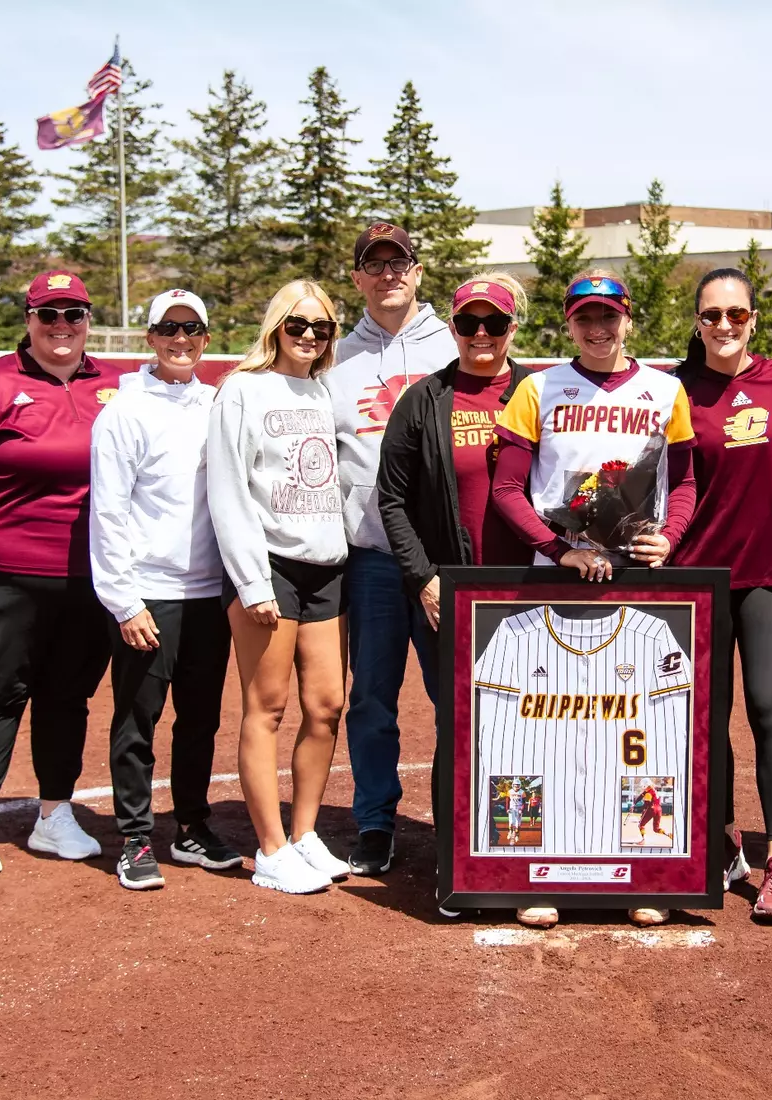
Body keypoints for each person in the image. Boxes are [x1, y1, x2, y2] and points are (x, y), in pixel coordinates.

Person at [489, 270, 697, 929]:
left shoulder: (665, 390)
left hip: (638, 579)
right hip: (557, 577)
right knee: (539, 731)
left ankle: (643, 871)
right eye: (585, 318)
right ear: (568, 323)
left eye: (609, 317)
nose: (598, 329)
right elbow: (507, 491)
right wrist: (559, 551)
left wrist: (670, 536)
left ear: (628, 318)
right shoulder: (537, 388)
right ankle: (533, 871)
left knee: (639, 734)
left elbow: (686, 482)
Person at [0, 271, 118, 876]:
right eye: (48, 315)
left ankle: (53, 814)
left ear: (89, 319)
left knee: (68, 698)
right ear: (28, 319)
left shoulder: (116, 386)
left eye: (73, 315)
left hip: (89, 576)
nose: (61, 327)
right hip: (6, 572)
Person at [91, 290, 241, 891]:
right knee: (137, 719)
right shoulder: (124, 411)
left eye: (193, 329)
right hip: (148, 594)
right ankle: (132, 836)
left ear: (206, 337)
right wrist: (125, 601)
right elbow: (109, 514)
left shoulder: (219, 403)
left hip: (210, 593)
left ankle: (191, 826)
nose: (182, 340)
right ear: (150, 337)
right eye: (169, 329)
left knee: (200, 719)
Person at [207, 280, 350, 895]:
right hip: (268, 568)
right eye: (298, 324)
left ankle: (304, 834)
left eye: (321, 326)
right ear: (276, 327)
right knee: (265, 708)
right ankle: (269, 850)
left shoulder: (323, 389)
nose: (310, 335)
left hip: (327, 565)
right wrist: (250, 579)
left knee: (327, 707)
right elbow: (228, 487)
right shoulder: (242, 389)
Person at [670, 269, 772, 924]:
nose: (725, 325)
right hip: (699, 575)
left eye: (737, 314)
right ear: (697, 321)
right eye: (713, 315)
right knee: (706, 714)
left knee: (768, 708)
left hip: (771, 571)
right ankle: (723, 839)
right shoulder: (676, 390)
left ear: (754, 318)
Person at [327, 222, 456, 876]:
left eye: (398, 262)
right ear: (357, 278)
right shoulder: (338, 356)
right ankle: (375, 821)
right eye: (373, 265)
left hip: (442, 561)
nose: (387, 275)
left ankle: (459, 822)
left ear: (418, 270)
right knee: (372, 697)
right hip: (373, 558)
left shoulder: (452, 343)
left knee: (455, 694)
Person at [378, 273, 535, 632]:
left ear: (511, 328)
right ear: (453, 329)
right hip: (452, 586)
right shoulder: (422, 399)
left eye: (494, 322)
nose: (481, 333)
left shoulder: (539, 392)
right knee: (455, 689)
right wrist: (424, 578)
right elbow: (392, 499)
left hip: (531, 582)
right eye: (468, 322)